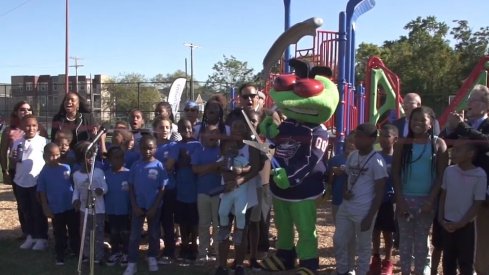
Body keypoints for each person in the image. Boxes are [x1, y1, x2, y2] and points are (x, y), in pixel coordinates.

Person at [392, 106, 448, 275]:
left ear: (431, 123)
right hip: (405, 199)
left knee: (422, 240)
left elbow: (441, 176)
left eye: (422, 120)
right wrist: (400, 200)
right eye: (414, 120)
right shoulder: (402, 143)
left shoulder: (438, 144)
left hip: (426, 200)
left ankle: (420, 271)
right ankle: (405, 272)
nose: (418, 123)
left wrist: (431, 200)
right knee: (405, 241)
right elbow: (394, 172)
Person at [440, 84, 489, 274]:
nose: (469, 104)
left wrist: (462, 127)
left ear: (485, 105)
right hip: (459, 191)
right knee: (464, 238)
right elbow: (443, 141)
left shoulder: (483, 124)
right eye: (469, 100)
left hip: (481, 190)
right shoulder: (464, 124)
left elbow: (485, 143)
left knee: (482, 238)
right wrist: (451, 127)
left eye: (474, 100)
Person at [333, 123, 388, 275]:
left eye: (362, 137)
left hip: (364, 211)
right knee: (339, 240)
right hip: (346, 207)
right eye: (357, 136)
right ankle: (342, 270)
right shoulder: (353, 155)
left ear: (372, 139)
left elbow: (380, 190)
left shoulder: (377, 161)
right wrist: (345, 191)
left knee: (363, 247)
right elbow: (348, 176)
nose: (357, 140)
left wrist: (370, 216)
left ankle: (362, 272)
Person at [215, 117, 261, 275]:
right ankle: (222, 265)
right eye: (235, 127)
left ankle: (239, 264)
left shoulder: (252, 147)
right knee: (224, 228)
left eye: (241, 127)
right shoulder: (226, 145)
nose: (237, 130)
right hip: (226, 193)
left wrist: (238, 181)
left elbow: (255, 169)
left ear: (247, 130)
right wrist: (228, 179)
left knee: (241, 229)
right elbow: (221, 165)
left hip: (245, 195)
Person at [438, 141, 486, 275]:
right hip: (447, 224)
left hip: (466, 227)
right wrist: (441, 219)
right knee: (448, 261)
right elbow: (443, 196)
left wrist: (461, 223)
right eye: (453, 149)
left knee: (466, 263)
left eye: (458, 150)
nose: (453, 152)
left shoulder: (479, 175)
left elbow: (477, 203)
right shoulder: (449, 170)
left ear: (470, 154)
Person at [0, 101, 46, 240]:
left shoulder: (40, 132)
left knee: (36, 205)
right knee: (22, 204)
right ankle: (27, 232)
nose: (25, 111)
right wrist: (5, 170)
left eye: (28, 109)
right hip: (17, 172)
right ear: (16, 112)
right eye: (22, 109)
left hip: (35, 174)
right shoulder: (10, 131)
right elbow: (3, 152)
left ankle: (40, 235)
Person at [123, 135, 167, 275]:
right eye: (144, 148)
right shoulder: (135, 165)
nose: (147, 151)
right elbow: (130, 186)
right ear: (139, 148)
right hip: (138, 206)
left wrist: (155, 207)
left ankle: (152, 256)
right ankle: (132, 262)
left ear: (155, 148)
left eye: (150, 148)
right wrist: (134, 205)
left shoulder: (159, 166)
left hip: (154, 207)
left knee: (154, 234)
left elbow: (162, 188)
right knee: (134, 235)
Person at [37, 143, 80, 265]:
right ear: (44, 156)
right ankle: (60, 253)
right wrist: (45, 207)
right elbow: (42, 192)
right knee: (59, 232)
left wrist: (77, 200)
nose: (55, 158)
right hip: (56, 208)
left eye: (57, 155)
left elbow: (75, 185)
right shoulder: (43, 173)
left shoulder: (66, 167)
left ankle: (76, 251)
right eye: (51, 155)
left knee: (74, 230)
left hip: (70, 206)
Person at [167, 118, 202, 263]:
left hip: (195, 189)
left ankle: (194, 245)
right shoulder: (176, 146)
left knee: (194, 221)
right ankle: (185, 245)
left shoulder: (197, 144)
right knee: (182, 220)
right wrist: (182, 161)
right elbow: (171, 165)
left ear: (193, 128)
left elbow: (197, 163)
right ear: (179, 130)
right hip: (181, 189)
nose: (187, 131)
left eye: (189, 128)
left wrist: (185, 161)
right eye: (183, 128)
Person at [13, 114, 49, 251]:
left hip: (36, 181)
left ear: (38, 126)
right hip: (20, 181)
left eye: (34, 125)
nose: (31, 128)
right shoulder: (17, 141)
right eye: (27, 125)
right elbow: (15, 160)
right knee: (26, 211)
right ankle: (30, 236)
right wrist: (14, 158)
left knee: (37, 211)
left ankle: (42, 238)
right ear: (22, 126)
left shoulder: (43, 141)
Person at [369, 124, 398, 275]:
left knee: (388, 232)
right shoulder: (374, 156)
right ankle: (375, 258)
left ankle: (388, 261)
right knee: (374, 230)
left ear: (395, 139)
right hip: (374, 200)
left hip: (389, 200)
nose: (383, 139)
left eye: (387, 136)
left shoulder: (397, 158)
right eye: (381, 136)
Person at [191, 124, 222, 265]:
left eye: (216, 133)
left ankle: (215, 250)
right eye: (210, 133)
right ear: (203, 135)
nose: (213, 136)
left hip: (218, 193)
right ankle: (202, 252)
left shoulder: (222, 151)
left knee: (217, 224)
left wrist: (206, 169)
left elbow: (222, 169)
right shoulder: (198, 150)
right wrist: (212, 166)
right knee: (203, 224)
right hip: (202, 192)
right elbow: (196, 169)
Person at [72, 141, 108, 264]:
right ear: (81, 159)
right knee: (85, 232)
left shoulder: (99, 172)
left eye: (93, 156)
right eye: (88, 156)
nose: (91, 159)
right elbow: (76, 189)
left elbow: (105, 187)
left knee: (98, 232)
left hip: (99, 209)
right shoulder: (76, 175)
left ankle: (98, 255)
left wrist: (101, 191)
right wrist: (75, 200)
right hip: (84, 209)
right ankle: (87, 255)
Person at [153, 117, 178, 264]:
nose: (164, 130)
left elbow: (169, 166)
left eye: (167, 127)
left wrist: (153, 165)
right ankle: (154, 251)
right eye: (161, 127)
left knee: (168, 221)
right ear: (155, 129)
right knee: (154, 222)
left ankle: (170, 251)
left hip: (169, 188)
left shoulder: (173, 146)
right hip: (152, 190)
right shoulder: (151, 146)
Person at [104, 146, 131, 267]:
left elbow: (132, 193)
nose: (119, 160)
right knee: (114, 232)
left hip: (126, 210)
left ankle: (126, 253)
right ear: (109, 160)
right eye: (115, 158)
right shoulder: (105, 175)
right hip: (111, 210)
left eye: (121, 157)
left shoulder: (128, 174)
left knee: (125, 232)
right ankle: (115, 252)